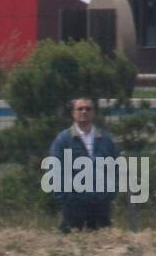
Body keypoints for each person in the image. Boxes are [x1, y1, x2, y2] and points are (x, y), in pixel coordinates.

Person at [48, 96, 121, 233]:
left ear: (93, 113)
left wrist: (109, 194)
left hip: (100, 204)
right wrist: (65, 198)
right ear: (73, 113)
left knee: (104, 247)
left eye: (88, 109)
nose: (84, 112)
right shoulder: (63, 140)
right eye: (80, 109)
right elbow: (54, 170)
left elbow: (115, 167)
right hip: (73, 205)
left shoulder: (105, 139)